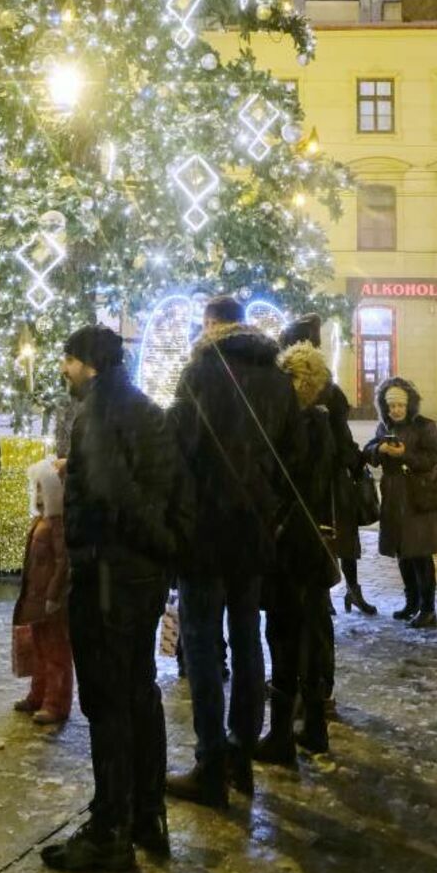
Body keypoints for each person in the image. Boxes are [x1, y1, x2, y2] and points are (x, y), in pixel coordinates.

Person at [41, 324, 180, 873]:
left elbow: (113, 494)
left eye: (69, 360)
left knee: (108, 703)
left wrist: (101, 531)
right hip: (140, 575)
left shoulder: (96, 412)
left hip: (108, 575)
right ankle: (148, 815)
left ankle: (109, 829)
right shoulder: (143, 405)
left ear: (88, 364)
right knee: (139, 691)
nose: (64, 370)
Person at [165, 295, 299, 808]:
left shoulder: (202, 370)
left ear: (210, 324)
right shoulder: (277, 376)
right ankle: (242, 753)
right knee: (247, 639)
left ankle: (210, 763)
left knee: (201, 646)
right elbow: (290, 452)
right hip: (255, 532)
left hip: (204, 532)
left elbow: (181, 448)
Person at [256, 340, 339, 764]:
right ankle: (315, 730)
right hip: (313, 545)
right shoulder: (320, 423)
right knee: (306, 634)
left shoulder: (294, 427)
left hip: (290, 546)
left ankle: (281, 735)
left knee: (283, 636)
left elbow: (282, 485)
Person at [280, 315, 375, 618]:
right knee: (337, 534)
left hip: (309, 476)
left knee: (332, 534)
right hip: (328, 475)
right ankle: (345, 590)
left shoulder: (284, 384)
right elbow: (340, 436)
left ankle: (343, 591)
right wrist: (355, 461)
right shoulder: (324, 388)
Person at [363, 377, 437, 629]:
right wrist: (379, 450)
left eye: (400, 405)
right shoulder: (384, 427)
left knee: (420, 554)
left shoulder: (425, 426)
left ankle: (428, 608)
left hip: (419, 499)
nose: (396, 410)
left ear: (409, 404)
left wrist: (404, 455)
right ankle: (411, 602)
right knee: (403, 553)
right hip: (394, 499)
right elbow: (368, 451)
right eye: (391, 407)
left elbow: (431, 458)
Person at [12, 458, 72, 727]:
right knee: (39, 649)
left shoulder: (57, 526)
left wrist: (53, 595)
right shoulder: (41, 522)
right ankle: (38, 695)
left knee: (56, 652)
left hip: (49, 603)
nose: (37, 496)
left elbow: (62, 562)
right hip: (36, 600)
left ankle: (56, 702)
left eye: (42, 490)